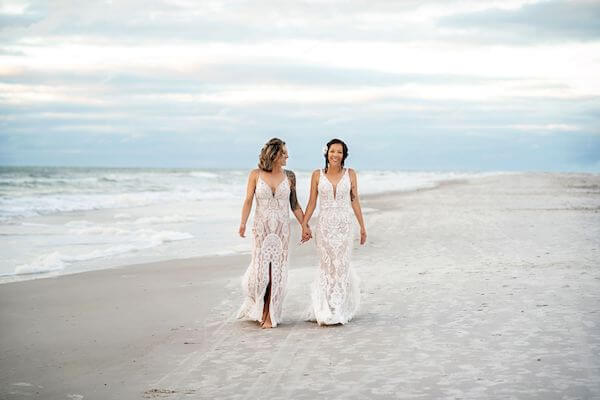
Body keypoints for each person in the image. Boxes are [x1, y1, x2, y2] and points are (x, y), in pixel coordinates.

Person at [237, 138, 305, 328]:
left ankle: (269, 313)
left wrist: (305, 225)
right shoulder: (255, 175)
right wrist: (242, 223)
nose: (287, 156)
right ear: (274, 155)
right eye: (284, 153)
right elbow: (248, 200)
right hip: (261, 230)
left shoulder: (290, 176)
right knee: (262, 273)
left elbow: (294, 204)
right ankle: (258, 306)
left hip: (282, 231)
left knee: (277, 273)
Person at [302, 138, 366, 325]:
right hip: (324, 227)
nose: (335, 155)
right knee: (327, 265)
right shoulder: (317, 175)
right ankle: (326, 307)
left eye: (339, 152)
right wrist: (304, 224)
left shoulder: (351, 174)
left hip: (345, 227)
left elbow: (355, 201)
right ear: (326, 153)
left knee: (342, 265)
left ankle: (338, 307)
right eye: (332, 151)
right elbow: (312, 203)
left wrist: (362, 226)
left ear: (344, 155)